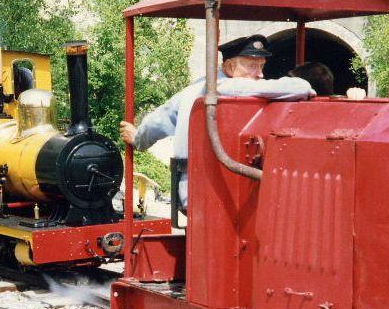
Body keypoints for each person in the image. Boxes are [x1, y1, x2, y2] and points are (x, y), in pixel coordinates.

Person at [120, 34, 314, 210]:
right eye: (253, 66)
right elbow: (300, 87)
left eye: (262, 66)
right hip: (212, 193)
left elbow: (156, 122)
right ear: (229, 67)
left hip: (200, 191)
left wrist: (138, 138)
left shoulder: (194, 88)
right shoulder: (224, 86)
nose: (260, 74)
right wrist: (305, 87)